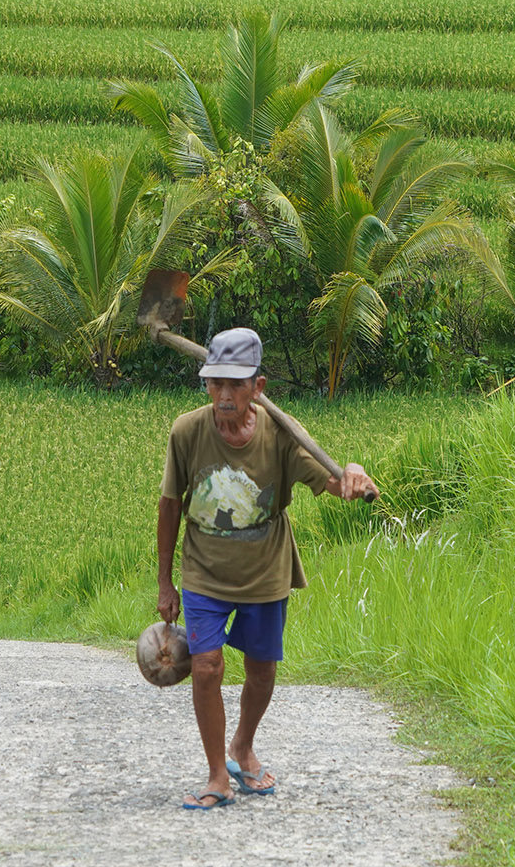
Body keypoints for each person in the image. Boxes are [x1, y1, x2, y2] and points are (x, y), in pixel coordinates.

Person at [155, 326, 376, 811]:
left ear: (259, 387)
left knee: (261, 672)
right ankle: (218, 775)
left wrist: (353, 476)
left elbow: (334, 484)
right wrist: (165, 582)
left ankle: (242, 746)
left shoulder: (283, 435)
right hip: (204, 568)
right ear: (206, 384)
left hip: (265, 569)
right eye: (216, 384)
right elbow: (170, 506)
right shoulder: (187, 432)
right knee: (207, 667)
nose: (225, 395)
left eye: (237, 385)